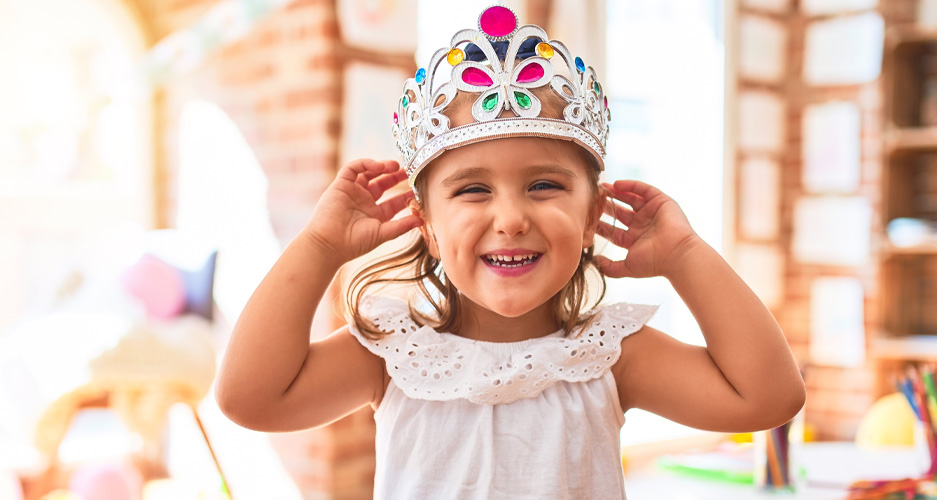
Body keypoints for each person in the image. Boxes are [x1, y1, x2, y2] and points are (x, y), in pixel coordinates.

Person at [216, 6, 806, 498]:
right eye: (473, 190)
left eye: (544, 186)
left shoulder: (607, 354)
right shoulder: (395, 353)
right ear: (426, 225)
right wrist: (320, 247)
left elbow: (769, 397)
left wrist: (685, 255)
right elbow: (249, 398)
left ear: (592, 216)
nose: (512, 218)